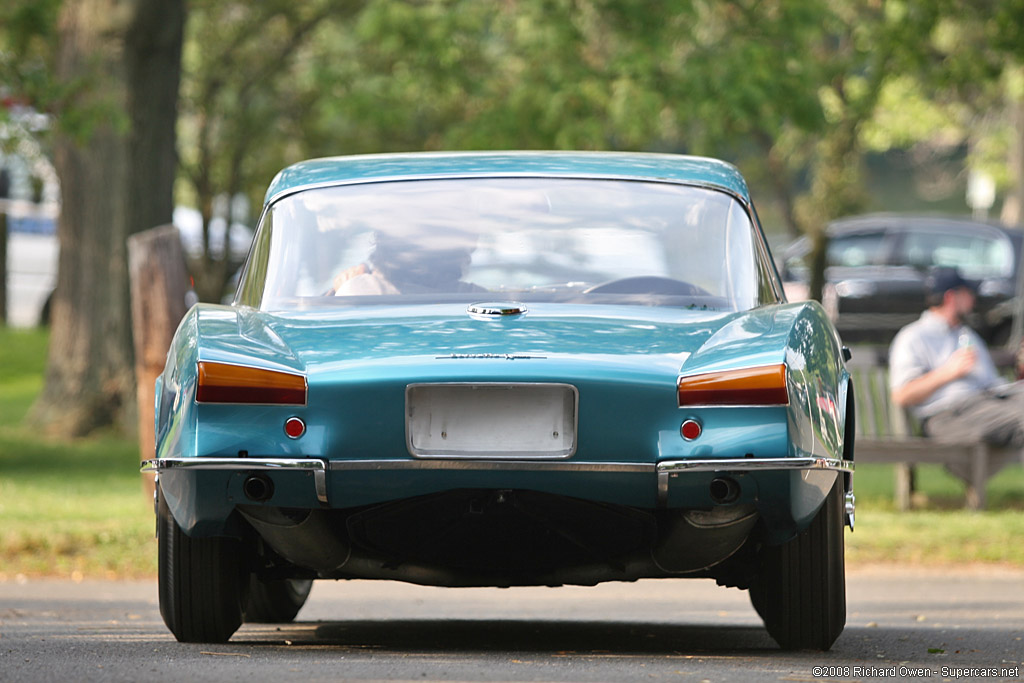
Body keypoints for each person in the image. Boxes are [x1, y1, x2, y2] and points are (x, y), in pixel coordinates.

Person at [889, 267, 1024, 458]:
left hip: (988, 404)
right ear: (951, 297)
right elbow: (902, 395)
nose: (973, 298)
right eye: (968, 293)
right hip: (949, 417)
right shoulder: (913, 337)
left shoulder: (966, 334)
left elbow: (991, 384)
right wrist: (948, 372)